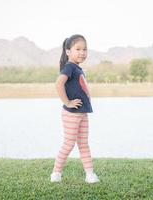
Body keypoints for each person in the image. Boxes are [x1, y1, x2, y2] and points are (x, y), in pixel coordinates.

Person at [50, 34, 99, 183]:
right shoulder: (70, 67)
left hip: (82, 113)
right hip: (71, 114)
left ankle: (89, 174)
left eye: (84, 49)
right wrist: (68, 102)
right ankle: (56, 173)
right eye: (78, 49)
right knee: (69, 143)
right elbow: (59, 84)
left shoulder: (78, 68)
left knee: (83, 144)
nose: (82, 52)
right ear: (68, 51)